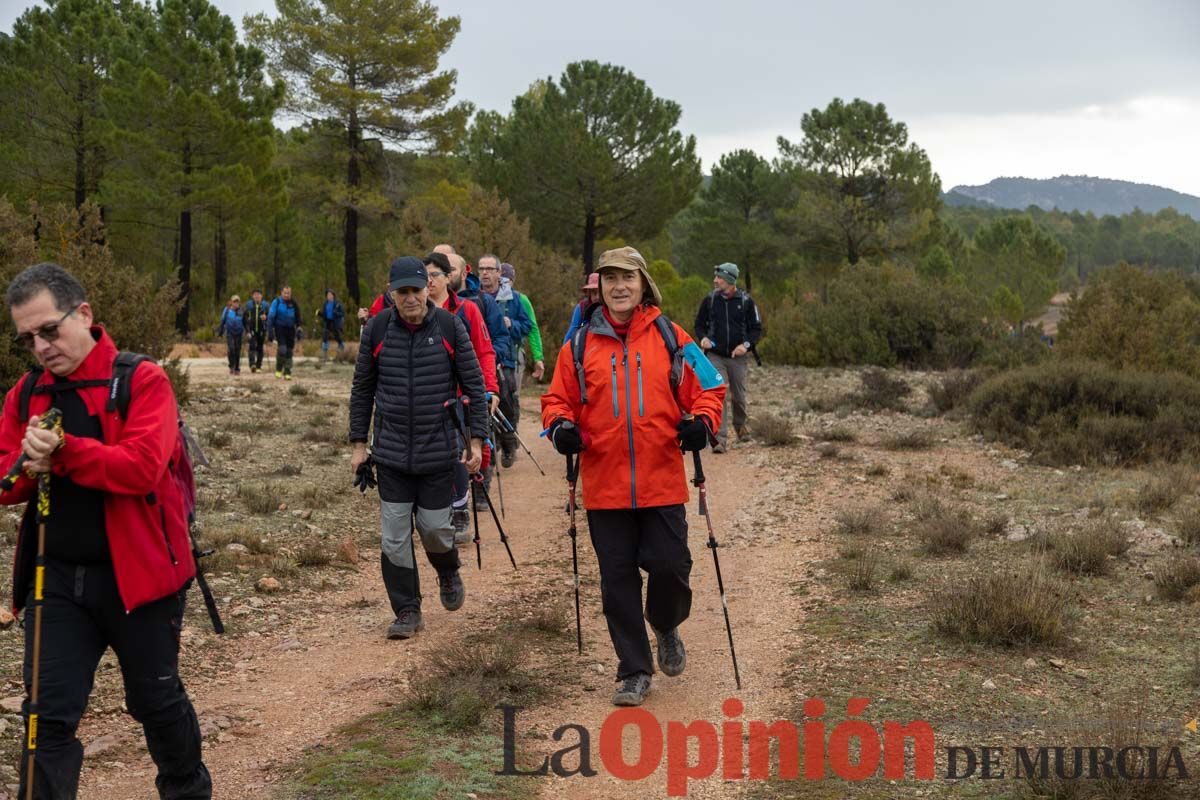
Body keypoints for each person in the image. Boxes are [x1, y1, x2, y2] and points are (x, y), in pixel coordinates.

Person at [0, 262, 211, 798]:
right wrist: (27, 465)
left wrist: (65, 453)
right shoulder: (26, 396)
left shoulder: (141, 379)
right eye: (29, 339)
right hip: (56, 581)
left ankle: (187, 791)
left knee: (156, 703)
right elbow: (5, 482)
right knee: (45, 718)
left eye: (50, 329)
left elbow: (142, 467)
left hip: (140, 582)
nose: (42, 346)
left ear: (84, 314)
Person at [542, 247, 725, 707]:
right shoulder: (579, 345)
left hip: (661, 480)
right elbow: (555, 402)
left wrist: (702, 421)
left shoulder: (670, 336)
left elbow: (711, 386)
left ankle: (665, 623)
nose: (618, 286)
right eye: (610, 279)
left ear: (643, 284)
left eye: (627, 277)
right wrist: (561, 427)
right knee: (617, 581)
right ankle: (634, 671)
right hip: (605, 487)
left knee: (670, 567)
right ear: (599, 288)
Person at [350, 256, 488, 640]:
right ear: (391, 294)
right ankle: (407, 609)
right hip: (391, 454)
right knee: (393, 538)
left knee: (434, 530)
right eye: (403, 292)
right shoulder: (377, 330)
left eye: (416, 290)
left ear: (429, 289)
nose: (411, 299)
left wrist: (476, 439)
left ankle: (447, 570)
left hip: (437, 452)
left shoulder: (448, 325)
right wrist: (359, 445)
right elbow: (362, 389)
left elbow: (474, 387)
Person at [424, 251, 500, 543]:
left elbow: (484, 350)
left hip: (461, 397)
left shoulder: (468, 310)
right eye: (425, 276)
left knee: (460, 452)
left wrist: (489, 389)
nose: (429, 281)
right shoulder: (414, 311)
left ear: (448, 278)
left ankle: (459, 510)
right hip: (426, 397)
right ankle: (434, 510)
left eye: (435, 275)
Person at [456, 254, 511, 509]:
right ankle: (457, 500)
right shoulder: (427, 306)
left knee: (482, 433)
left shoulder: (482, 303)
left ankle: (480, 488)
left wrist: (482, 368)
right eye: (483, 268)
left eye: (491, 269)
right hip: (444, 386)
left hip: (479, 377)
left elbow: (498, 341)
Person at [694, 262, 763, 453]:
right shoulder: (709, 300)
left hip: (737, 357)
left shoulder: (746, 301)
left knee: (739, 397)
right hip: (715, 356)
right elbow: (699, 325)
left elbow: (756, 330)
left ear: (730, 280)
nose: (715, 280)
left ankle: (741, 426)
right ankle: (719, 439)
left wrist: (746, 346)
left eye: (719, 277)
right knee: (720, 395)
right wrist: (703, 339)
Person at [477, 254, 531, 469]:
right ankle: (491, 444)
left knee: (506, 398)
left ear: (499, 273)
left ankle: (509, 442)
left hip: (507, 358)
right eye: (482, 268)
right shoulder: (474, 297)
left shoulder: (514, 299)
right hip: (481, 357)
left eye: (490, 269)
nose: (485, 273)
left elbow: (527, 327)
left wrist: (512, 324)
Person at [500, 263, 545, 392]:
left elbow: (532, 328)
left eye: (506, 281)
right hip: (494, 354)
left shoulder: (521, 299)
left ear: (512, 281)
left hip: (515, 353)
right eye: (500, 280)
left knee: (512, 397)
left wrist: (538, 358)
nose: (503, 284)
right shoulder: (487, 297)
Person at [267, 285, 303, 380]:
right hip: (280, 328)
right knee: (282, 349)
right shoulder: (277, 302)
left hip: (291, 329)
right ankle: (279, 369)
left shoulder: (294, 303)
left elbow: (298, 316)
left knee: (289, 351)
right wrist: (270, 331)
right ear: (281, 293)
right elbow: (271, 316)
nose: (287, 295)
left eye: (289, 293)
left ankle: (287, 372)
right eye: (285, 293)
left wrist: (299, 328)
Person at [562, 271, 601, 345]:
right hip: (584, 344)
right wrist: (564, 350)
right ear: (589, 293)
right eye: (594, 293)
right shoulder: (581, 307)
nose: (597, 297)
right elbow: (573, 329)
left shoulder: (609, 307)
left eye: (600, 293)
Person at [243, 288, 269, 373]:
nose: (257, 296)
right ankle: (252, 364)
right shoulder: (249, 305)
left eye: (258, 294)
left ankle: (259, 366)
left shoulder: (265, 305)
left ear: (261, 296)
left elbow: (270, 317)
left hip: (262, 330)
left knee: (260, 348)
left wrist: (266, 318)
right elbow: (244, 319)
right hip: (252, 330)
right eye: (255, 294)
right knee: (252, 346)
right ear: (252, 296)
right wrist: (247, 331)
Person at [216, 294, 244, 376]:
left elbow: (246, 322)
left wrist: (249, 332)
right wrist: (220, 332)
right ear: (231, 302)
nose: (236, 304)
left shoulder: (242, 311)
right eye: (234, 302)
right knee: (231, 349)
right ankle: (232, 365)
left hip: (239, 333)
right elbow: (222, 321)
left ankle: (237, 368)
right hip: (230, 333)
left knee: (237, 351)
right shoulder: (227, 310)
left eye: (237, 302)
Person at [316, 289, 346, 361]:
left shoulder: (337, 304)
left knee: (337, 337)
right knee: (325, 337)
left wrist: (336, 313)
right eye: (328, 295)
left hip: (335, 323)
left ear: (333, 295)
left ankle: (342, 351)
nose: (329, 296)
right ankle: (324, 355)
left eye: (330, 295)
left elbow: (342, 314)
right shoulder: (325, 304)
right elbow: (325, 315)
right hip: (328, 323)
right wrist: (320, 313)